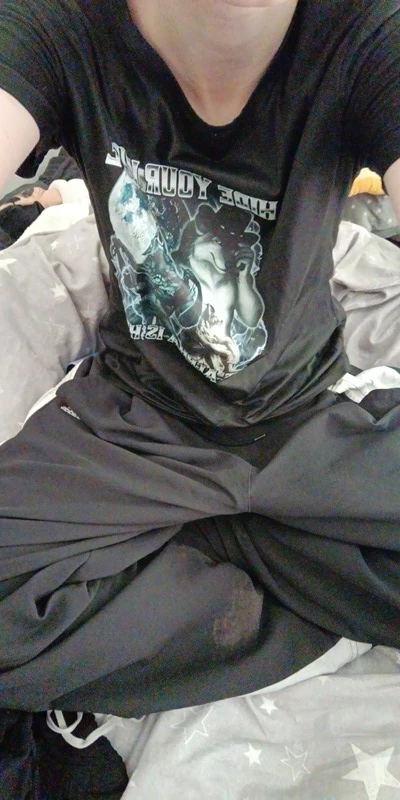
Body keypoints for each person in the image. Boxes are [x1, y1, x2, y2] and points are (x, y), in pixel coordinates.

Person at [0, 0, 400, 795]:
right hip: (132, 425)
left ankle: (208, 551)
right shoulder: (61, 24)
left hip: (304, 422)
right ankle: (265, 596)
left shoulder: (365, 32)